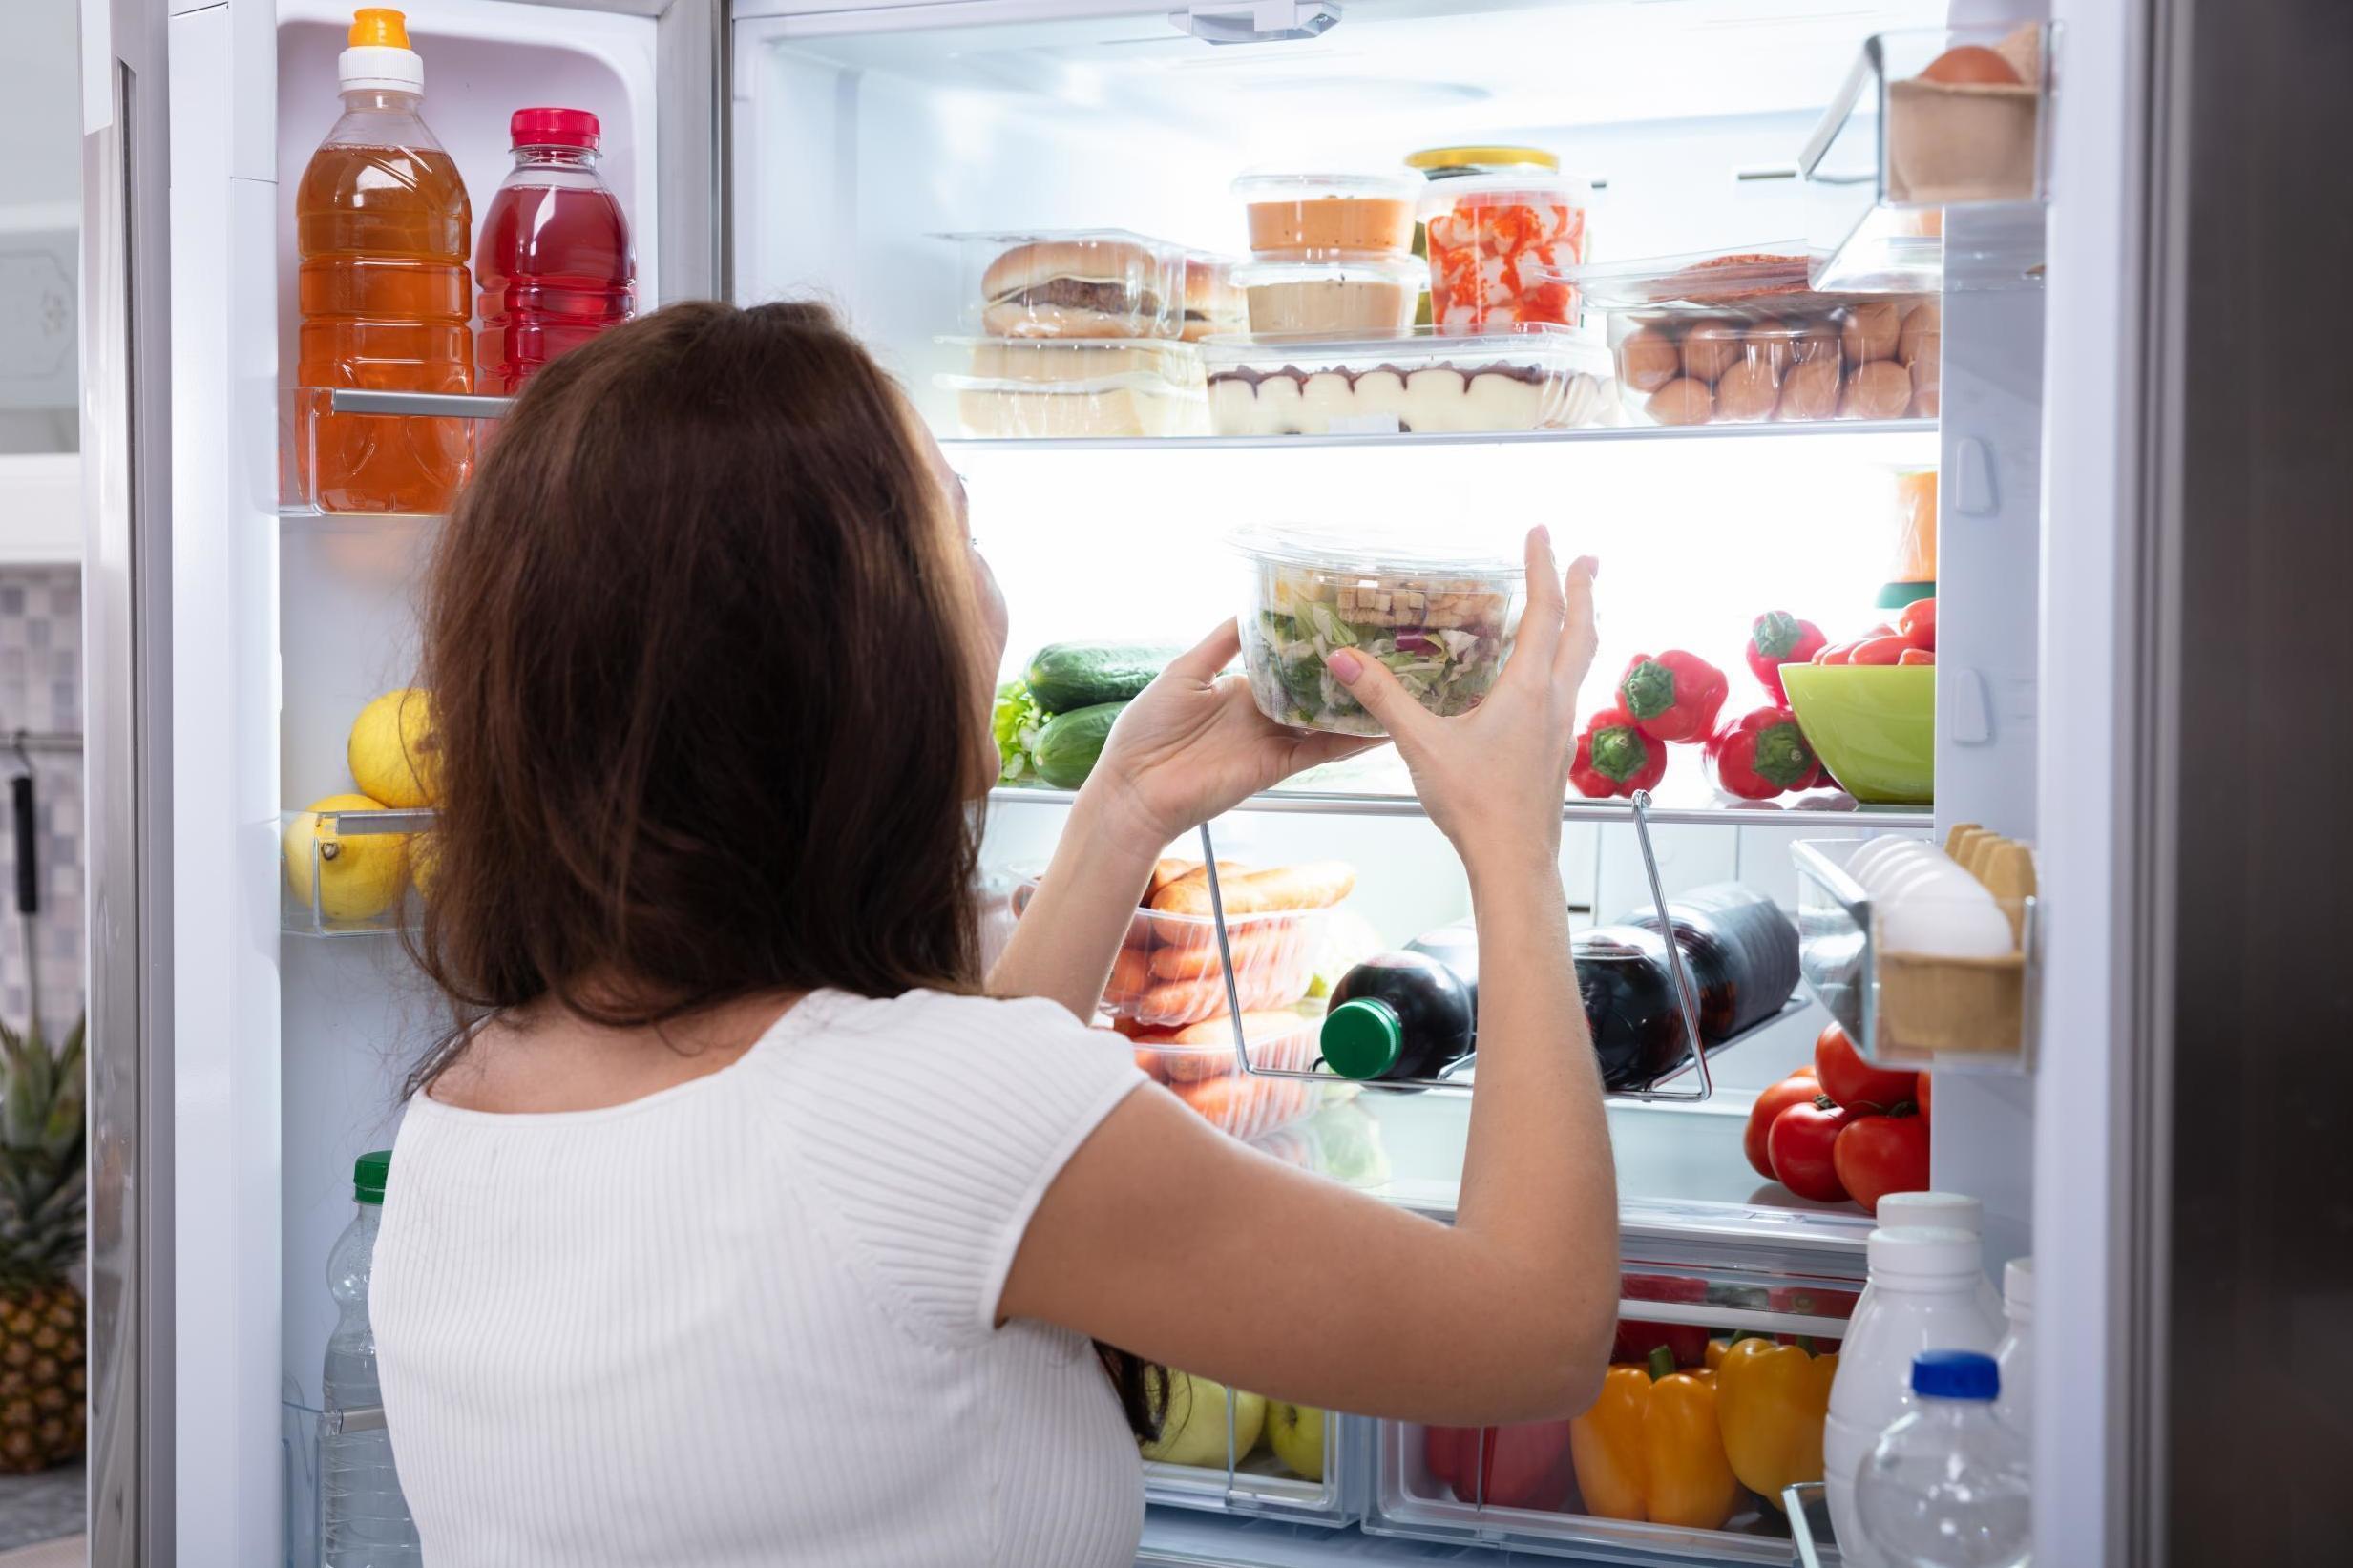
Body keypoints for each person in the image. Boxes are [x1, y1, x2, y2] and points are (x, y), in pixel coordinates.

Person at [370, 300, 1617, 1568]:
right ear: (854, 650)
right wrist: (1511, 851)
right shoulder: (919, 1112)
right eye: (955, 528)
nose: (984, 586)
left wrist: (1122, 816)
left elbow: (925, 1189)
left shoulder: (461, 1107)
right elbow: (1534, 1333)